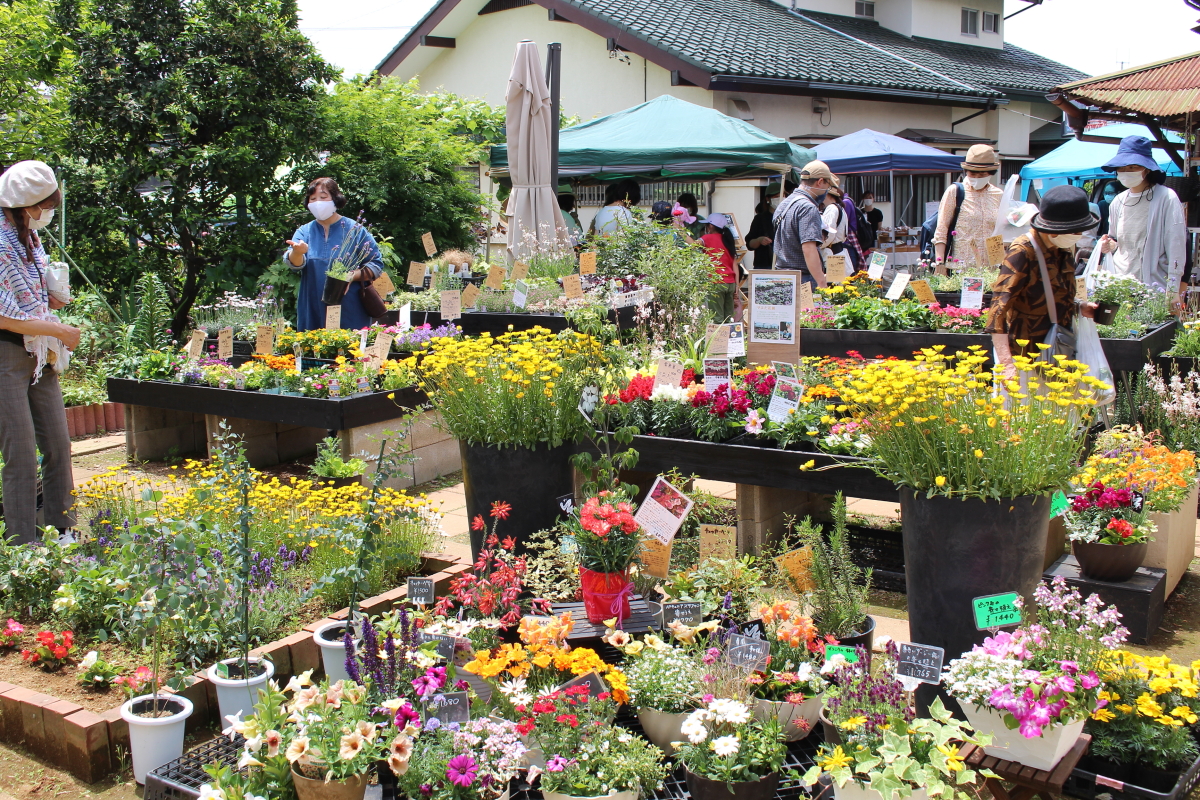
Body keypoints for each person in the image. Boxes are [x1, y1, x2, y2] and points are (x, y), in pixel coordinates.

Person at [0, 161, 79, 544]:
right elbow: (4, 315)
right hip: (7, 355)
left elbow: (37, 298)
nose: (48, 213)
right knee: (20, 453)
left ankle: (62, 526)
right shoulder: (0, 241)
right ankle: (23, 545)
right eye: (45, 206)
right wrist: (58, 330)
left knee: (58, 443)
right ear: (26, 204)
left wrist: (54, 294)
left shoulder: (28, 237)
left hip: (39, 354)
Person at [986, 185, 1099, 378]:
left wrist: (1079, 306)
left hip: (1059, 351)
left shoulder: (1063, 248)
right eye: (1076, 230)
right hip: (1024, 357)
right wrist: (1006, 364)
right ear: (1054, 230)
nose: (1079, 235)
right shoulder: (1022, 252)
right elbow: (997, 312)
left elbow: (1057, 295)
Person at [1098, 135, 1187, 309]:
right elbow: (1117, 240)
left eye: (1133, 166)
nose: (1127, 171)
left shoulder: (1166, 197)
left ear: (1146, 169)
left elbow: (1176, 245)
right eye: (1122, 167)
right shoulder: (1118, 201)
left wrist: (1174, 288)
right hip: (1121, 283)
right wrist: (1109, 244)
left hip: (1154, 286)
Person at [285, 178, 383, 332]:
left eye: (323, 197)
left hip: (350, 307)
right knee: (314, 349)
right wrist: (297, 252)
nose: (318, 202)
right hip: (312, 306)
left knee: (350, 351)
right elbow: (294, 264)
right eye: (313, 199)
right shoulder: (305, 231)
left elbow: (375, 265)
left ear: (335, 199)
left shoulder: (355, 230)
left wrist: (351, 275)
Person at [934, 144, 1004, 269]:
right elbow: (941, 230)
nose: (976, 177)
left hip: (991, 268)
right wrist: (940, 264)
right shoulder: (955, 192)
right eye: (972, 173)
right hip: (961, 267)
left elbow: (1001, 231)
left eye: (982, 174)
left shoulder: (998, 195)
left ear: (990, 173)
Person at [772, 161, 838, 286]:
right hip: (802, 278)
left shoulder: (785, 203)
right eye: (827, 185)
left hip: (782, 275)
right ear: (820, 182)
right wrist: (821, 281)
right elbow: (808, 248)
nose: (826, 191)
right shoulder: (808, 207)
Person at [699, 213, 738, 322]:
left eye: (706, 225)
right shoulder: (728, 240)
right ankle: (729, 338)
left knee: (717, 318)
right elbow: (734, 264)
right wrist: (737, 287)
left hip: (716, 283)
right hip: (730, 283)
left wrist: (680, 230)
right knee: (729, 318)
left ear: (710, 226)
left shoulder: (707, 238)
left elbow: (693, 245)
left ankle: (718, 339)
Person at [820, 186, 849, 263]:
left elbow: (829, 234)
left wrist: (816, 246)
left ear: (827, 194)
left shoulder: (831, 208)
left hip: (832, 254)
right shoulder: (839, 208)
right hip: (838, 252)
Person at [746, 199, 775, 269]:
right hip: (764, 265)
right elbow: (749, 244)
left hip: (786, 265)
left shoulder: (788, 216)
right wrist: (759, 240)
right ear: (768, 199)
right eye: (776, 196)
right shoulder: (760, 218)